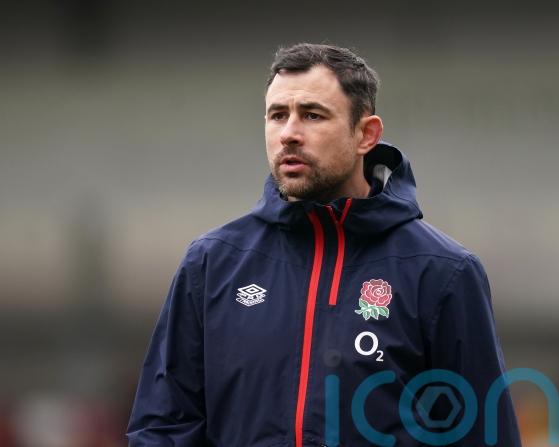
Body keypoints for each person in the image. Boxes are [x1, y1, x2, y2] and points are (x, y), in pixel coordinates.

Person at [126, 43, 522, 446]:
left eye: (312, 115)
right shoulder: (212, 263)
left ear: (366, 134)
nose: (289, 134)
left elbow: (485, 436)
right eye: (277, 115)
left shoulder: (443, 271)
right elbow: (164, 428)